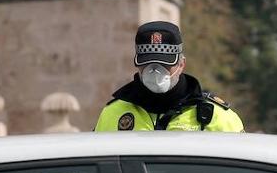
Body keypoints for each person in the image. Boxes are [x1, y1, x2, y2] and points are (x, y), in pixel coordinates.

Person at [94, 21, 244, 132]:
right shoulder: (112, 113)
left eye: (164, 63)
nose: (154, 70)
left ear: (181, 64)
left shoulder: (217, 117)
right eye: (148, 63)